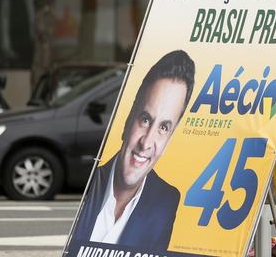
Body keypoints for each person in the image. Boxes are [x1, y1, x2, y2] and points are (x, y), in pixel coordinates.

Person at [72, 50, 195, 250]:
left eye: (163, 128)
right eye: (145, 119)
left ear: (170, 139)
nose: (146, 143)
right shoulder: (87, 181)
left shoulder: (166, 202)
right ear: (128, 119)